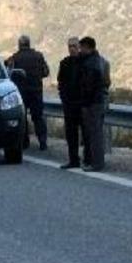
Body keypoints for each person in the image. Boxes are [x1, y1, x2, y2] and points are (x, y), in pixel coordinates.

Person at [5, 35, 50, 150]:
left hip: (22, 92)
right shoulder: (39, 56)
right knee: (38, 117)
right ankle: (42, 142)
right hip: (36, 91)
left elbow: (8, 70)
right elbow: (46, 72)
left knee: (22, 117)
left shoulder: (15, 57)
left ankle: (25, 142)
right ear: (29, 44)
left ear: (19, 45)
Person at [78, 37, 108, 172]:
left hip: (93, 103)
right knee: (95, 133)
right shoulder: (99, 61)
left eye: (82, 47)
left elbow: (88, 86)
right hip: (97, 101)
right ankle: (95, 161)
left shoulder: (91, 64)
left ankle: (96, 163)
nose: (80, 50)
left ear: (87, 47)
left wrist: (85, 102)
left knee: (95, 134)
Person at [57, 38, 84, 169]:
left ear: (79, 47)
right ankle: (73, 159)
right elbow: (60, 82)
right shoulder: (64, 63)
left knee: (86, 133)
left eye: (74, 46)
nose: (72, 48)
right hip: (69, 104)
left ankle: (88, 159)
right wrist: (64, 98)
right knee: (71, 134)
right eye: (70, 46)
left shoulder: (85, 62)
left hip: (82, 104)